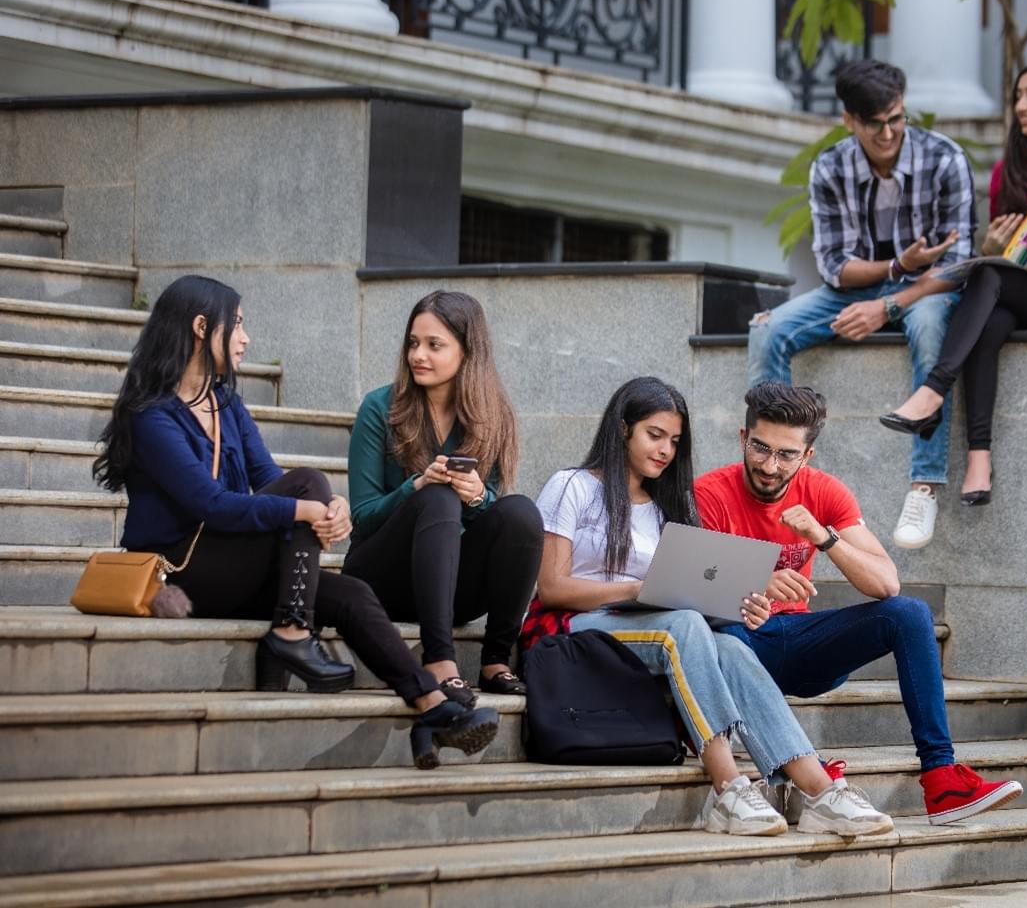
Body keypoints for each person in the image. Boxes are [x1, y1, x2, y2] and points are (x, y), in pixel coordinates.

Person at [93, 275, 499, 769]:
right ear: (202, 328)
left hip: (233, 565)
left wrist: (329, 510)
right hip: (182, 570)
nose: (245, 338)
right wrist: (303, 506)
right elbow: (213, 505)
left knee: (352, 594)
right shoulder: (151, 415)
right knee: (307, 484)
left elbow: (268, 479)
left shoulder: (225, 403)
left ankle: (431, 707)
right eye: (236, 325)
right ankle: (290, 632)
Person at [521, 376, 894, 837]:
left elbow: (685, 591)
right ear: (622, 429)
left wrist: (741, 607)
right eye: (654, 435)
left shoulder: (663, 506)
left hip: (643, 624)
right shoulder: (572, 486)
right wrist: (636, 589)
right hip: (571, 628)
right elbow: (552, 587)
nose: (665, 450)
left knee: (732, 646)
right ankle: (727, 788)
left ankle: (819, 791)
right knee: (684, 626)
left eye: (674, 442)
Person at [695, 382, 1024, 825]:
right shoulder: (708, 493)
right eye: (760, 447)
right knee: (726, 639)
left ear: (807, 455)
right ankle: (801, 767)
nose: (770, 466)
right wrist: (751, 585)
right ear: (742, 438)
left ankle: (943, 779)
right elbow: (686, 589)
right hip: (736, 644)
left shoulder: (824, 492)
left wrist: (823, 537)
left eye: (786, 454)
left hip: (795, 640)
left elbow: (886, 582)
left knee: (909, 613)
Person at [746, 58, 976, 551]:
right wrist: (896, 266)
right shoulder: (830, 166)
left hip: (928, 291)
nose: (890, 132)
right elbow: (834, 266)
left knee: (933, 326)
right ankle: (776, 465)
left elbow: (958, 266)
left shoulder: (946, 159)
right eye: (875, 124)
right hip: (857, 286)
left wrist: (889, 304)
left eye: (898, 118)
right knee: (768, 330)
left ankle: (924, 485)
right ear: (850, 120)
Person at [883, 61, 1027, 506]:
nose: (1021, 106)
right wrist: (990, 242)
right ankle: (979, 461)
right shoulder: (1007, 169)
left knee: (987, 276)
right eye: (1017, 97)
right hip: (1012, 281)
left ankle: (933, 390)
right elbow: (998, 248)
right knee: (988, 322)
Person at [344, 291, 542, 698]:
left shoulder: (492, 417)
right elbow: (362, 518)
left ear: (469, 352)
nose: (419, 355)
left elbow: (487, 517)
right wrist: (414, 486)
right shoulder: (379, 408)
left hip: (447, 588)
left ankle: (496, 661)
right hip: (379, 581)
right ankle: (439, 659)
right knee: (435, 497)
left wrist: (476, 498)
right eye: (414, 343)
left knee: (520, 513)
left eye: (435, 345)